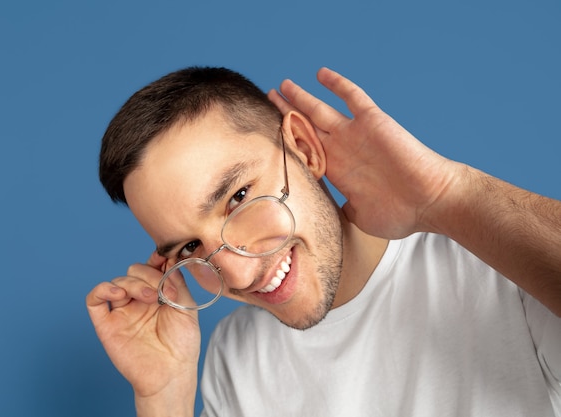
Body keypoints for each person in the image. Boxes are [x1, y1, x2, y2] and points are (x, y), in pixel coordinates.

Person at [86, 66, 561, 416]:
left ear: (305, 149)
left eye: (238, 197)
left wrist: (450, 197)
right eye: (189, 248)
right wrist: (164, 395)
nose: (237, 273)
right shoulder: (237, 356)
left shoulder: (492, 265)